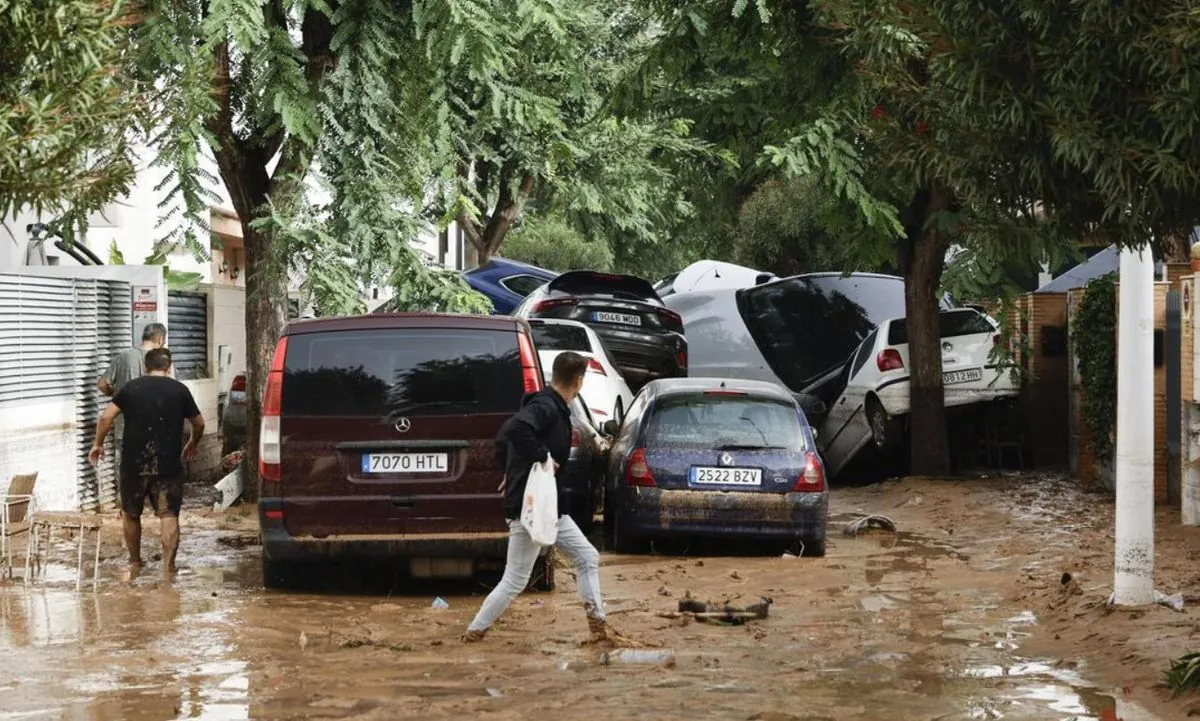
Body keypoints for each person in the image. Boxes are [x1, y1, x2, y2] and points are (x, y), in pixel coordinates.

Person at [463, 352, 619, 644]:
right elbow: (514, 429)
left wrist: (511, 469)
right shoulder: (547, 406)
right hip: (531, 507)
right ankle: (474, 633)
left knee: (587, 557)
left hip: (551, 508)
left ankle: (598, 629)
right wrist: (540, 456)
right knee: (515, 579)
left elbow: (503, 439)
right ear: (579, 380)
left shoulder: (555, 407)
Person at [88, 347, 204, 572]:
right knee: (168, 514)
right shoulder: (180, 390)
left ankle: (135, 561)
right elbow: (198, 423)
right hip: (168, 464)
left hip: (133, 463)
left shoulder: (131, 388)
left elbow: (105, 417)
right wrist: (192, 443)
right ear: (168, 367)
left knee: (131, 514)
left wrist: (98, 444)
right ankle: (169, 566)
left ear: (145, 366)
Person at [96, 323, 167, 470]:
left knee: (125, 473)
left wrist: (115, 394)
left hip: (125, 430)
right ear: (159, 339)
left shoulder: (123, 357)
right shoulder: (161, 362)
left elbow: (102, 384)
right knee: (151, 476)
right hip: (153, 430)